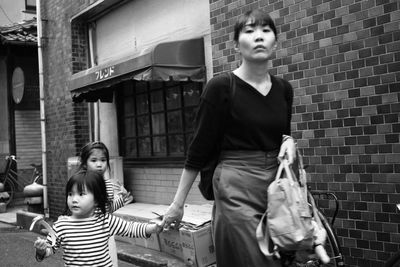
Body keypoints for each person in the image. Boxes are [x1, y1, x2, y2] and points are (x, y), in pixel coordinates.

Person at [162, 9, 296, 267]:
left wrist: (289, 142)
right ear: (236, 45)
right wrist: (177, 204)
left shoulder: (284, 89)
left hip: (274, 186)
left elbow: (283, 135)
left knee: (283, 256)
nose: (259, 37)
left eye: (266, 31)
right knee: (257, 259)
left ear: (275, 42)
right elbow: (198, 150)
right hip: (236, 185)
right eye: (249, 31)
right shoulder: (221, 87)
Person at [33, 170, 162, 266]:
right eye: (70, 194)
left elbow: (131, 228)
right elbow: (50, 250)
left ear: (96, 200)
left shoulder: (105, 220)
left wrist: (154, 227)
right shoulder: (61, 225)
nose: (74, 199)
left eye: (81, 194)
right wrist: (42, 250)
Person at [77, 141, 133, 266]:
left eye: (103, 160)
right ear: (85, 163)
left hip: (105, 234)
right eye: (94, 160)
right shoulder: (80, 184)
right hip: (86, 234)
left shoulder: (107, 184)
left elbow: (107, 210)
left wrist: (123, 200)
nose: (99, 164)